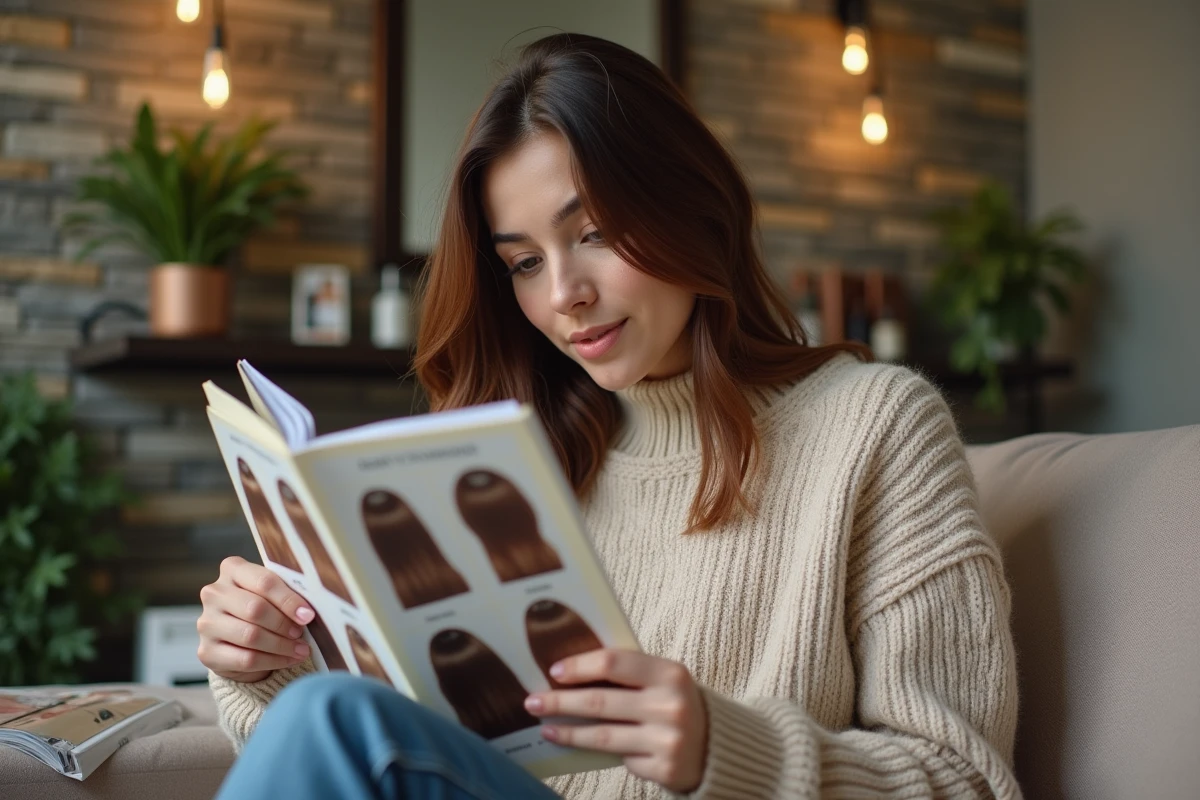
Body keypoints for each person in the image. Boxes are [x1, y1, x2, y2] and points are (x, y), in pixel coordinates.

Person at [198, 32, 1020, 799]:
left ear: (690, 205)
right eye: (525, 262)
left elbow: (967, 781)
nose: (564, 295)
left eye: (593, 232)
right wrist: (269, 660)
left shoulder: (877, 428)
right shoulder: (520, 459)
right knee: (327, 714)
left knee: (330, 720)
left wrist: (725, 749)